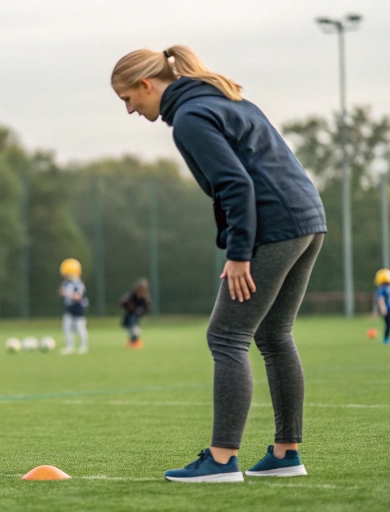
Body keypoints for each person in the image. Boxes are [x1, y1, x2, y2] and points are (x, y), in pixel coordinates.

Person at [111, 45, 326, 482]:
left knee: (226, 335)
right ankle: (286, 454)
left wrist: (239, 254)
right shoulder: (222, 96)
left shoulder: (190, 118)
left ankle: (222, 459)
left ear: (146, 85)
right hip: (307, 219)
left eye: (127, 99)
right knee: (273, 333)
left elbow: (235, 184)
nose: (129, 110)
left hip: (276, 226)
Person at [59, 258, 89, 355]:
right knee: (66, 327)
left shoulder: (78, 284)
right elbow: (60, 292)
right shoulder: (66, 283)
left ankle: (84, 346)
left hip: (78, 309)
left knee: (80, 328)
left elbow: (78, 297)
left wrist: (67, 293)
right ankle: (69, 346)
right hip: (69, 308)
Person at [120, 278, 151, 349]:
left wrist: (139, 311)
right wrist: (124, 303)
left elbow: (146, 308)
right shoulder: (132, 295)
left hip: (136, 314)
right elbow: (125, 303)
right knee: (127, 325)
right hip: (130, 313)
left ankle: (135, 341)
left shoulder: (144, 298)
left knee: (133, 323)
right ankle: (132, 340)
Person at [373, 268, 390, 345]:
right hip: (387, 308)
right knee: (388, 324)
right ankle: (386, 338)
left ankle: (387, 337)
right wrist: (383, 307)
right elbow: (380, 299)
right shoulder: (382, 289)